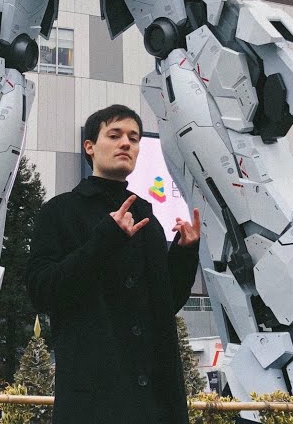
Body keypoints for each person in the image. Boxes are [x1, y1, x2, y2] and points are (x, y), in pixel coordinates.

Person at [26, 104, 202, 424]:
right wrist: (105, 239)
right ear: (89, 147)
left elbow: (164, 306)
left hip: (156, 400)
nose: (126, 143)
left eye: (134, 138)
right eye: (114, 135)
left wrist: (184, 254)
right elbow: (43, 291)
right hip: (94, 400)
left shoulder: (146, 216)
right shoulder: (60, 211)